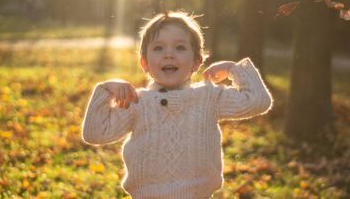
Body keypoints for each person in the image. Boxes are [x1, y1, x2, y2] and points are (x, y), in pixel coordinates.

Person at [82, 11, 273, 198]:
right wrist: (106, 90)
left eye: (180, 48)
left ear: (197, 61)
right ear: (145, 63)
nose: (169, 55)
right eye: (158, 48)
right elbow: (95, 134)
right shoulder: (137, 102)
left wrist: (233, 69)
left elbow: (258, 101)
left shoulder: (208, 97)